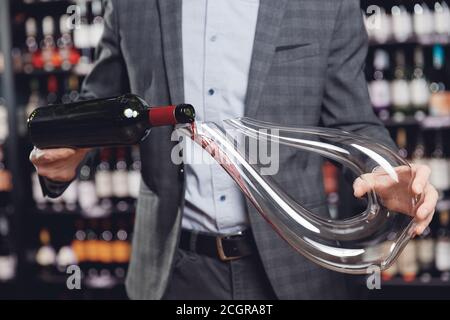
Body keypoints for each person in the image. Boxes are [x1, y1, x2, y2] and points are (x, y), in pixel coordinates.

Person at [30, 0, 437, 299]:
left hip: (294, 270)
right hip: (172, 271)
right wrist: (67, 155)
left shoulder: (324, 5)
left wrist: (389, 171)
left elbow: (354, 122)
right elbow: (97, 106)